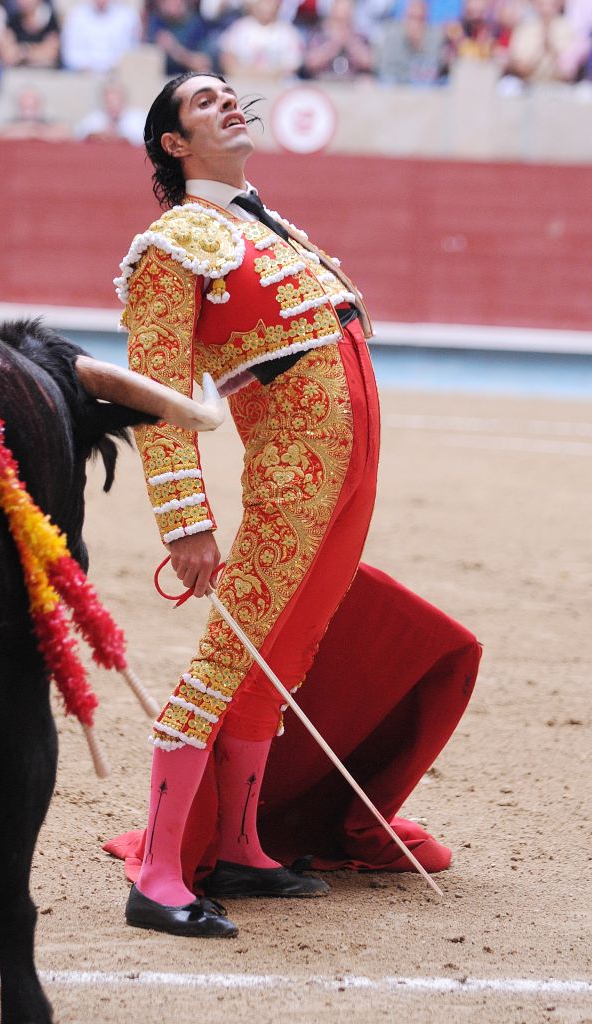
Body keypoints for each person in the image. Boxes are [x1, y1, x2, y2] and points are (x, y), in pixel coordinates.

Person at [105, 71, 481, 938]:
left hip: (346, 472)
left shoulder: (265, 227)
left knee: (283, 657)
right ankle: (159, 872)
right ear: (173, 142)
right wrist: (186, 522)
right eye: (204, 101)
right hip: (292, 471)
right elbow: (154, 390)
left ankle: (240, 846)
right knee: (229, 657)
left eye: (230, 92)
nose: (228, 101)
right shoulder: (174, 242)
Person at [60, 0, 140, 73]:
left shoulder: (128, 16)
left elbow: (132, 51)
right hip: (82, 75)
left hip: (117, 76)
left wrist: (113, 68)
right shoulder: (76, 15)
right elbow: (69, 53)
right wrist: (86, 68)